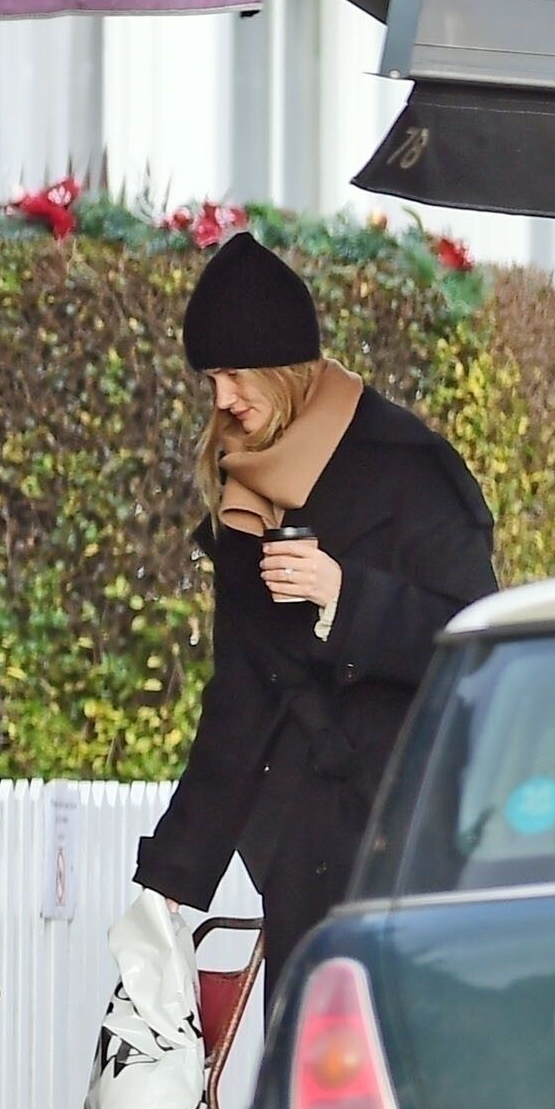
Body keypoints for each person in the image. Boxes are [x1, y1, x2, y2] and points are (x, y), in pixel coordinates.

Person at [133, 233, 498, 991]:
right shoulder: (245, 491)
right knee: (310, 1055)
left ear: (285, 366)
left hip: (408, 840)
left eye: (236, 374)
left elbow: (479, 641)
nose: (222, 399)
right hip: (304, 853)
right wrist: (171, 878)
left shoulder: (409, 464)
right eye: (211, 378)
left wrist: (345, 596)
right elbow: (240, 696)